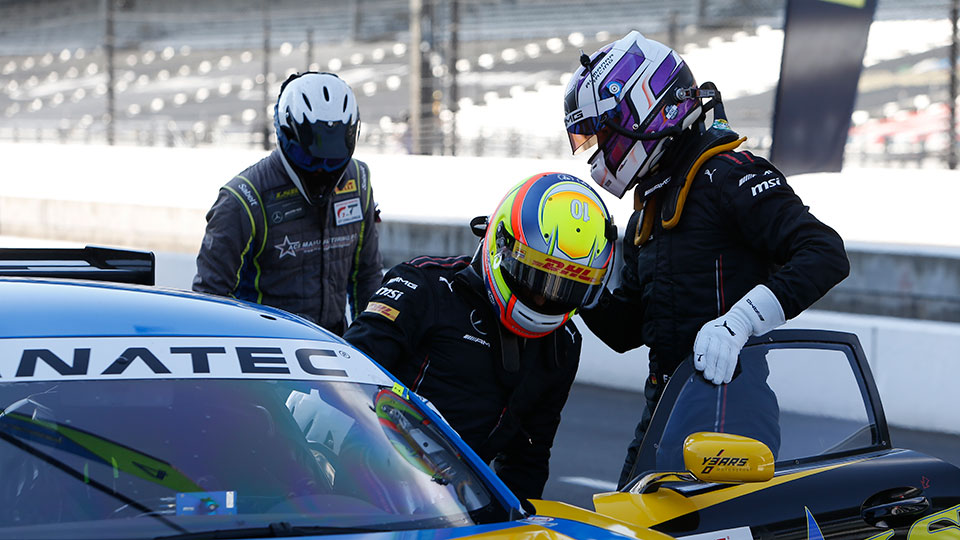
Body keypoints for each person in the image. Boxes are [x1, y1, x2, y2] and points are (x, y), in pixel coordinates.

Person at [562, 31, 850, 487]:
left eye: (605, 132)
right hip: (665, 408)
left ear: (645, 108)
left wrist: (740, 321)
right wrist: (575, 286)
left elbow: (825, 253)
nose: (600, 151)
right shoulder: (649, 208)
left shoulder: (728, 175)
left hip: (731, 413)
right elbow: (628, 332)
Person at [343, 172, 617, 503]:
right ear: (501, 244)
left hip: (456, 503)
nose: (544, 299)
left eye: (564, 289)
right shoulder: (423, 287)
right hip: (365, 481)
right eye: (535, 278)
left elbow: (528, 457)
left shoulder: (564, 344)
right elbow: (343, 378)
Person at [193, 72, 382, 335]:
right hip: (266, 351)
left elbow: (367, 276)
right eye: (311, 159)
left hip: (335, 347)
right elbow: (210, 300)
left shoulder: (358, 182)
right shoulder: (243, 199)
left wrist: (370, 344)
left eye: (332, 160)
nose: (321, 171)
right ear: (284, 134)